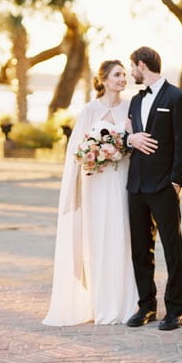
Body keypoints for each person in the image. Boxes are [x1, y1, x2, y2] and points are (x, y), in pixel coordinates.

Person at [43, 60, 138, 326]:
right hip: (95, 183)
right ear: (104, 80)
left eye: (123, 75)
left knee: (122, 235)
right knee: (97, 238)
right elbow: (77, 151)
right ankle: (99, 304)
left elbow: (136, 141)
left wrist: (120, 147)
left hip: (121, 181)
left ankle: (126, 303)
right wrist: (94, 155)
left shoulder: (131, 108)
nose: (122, 79)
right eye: (117, 75)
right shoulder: (90, 110)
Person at [125, 46, 182, 331]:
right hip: (136, 184)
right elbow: (130, 136)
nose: (131, 73)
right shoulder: (135, 100)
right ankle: (146, 306)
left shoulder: (177, 97)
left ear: (142, 65)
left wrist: (177, 181)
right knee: (140, 249)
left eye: (133, 67)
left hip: (164, 184)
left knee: (172, 248)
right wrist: (131, 138)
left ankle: (175, 310)